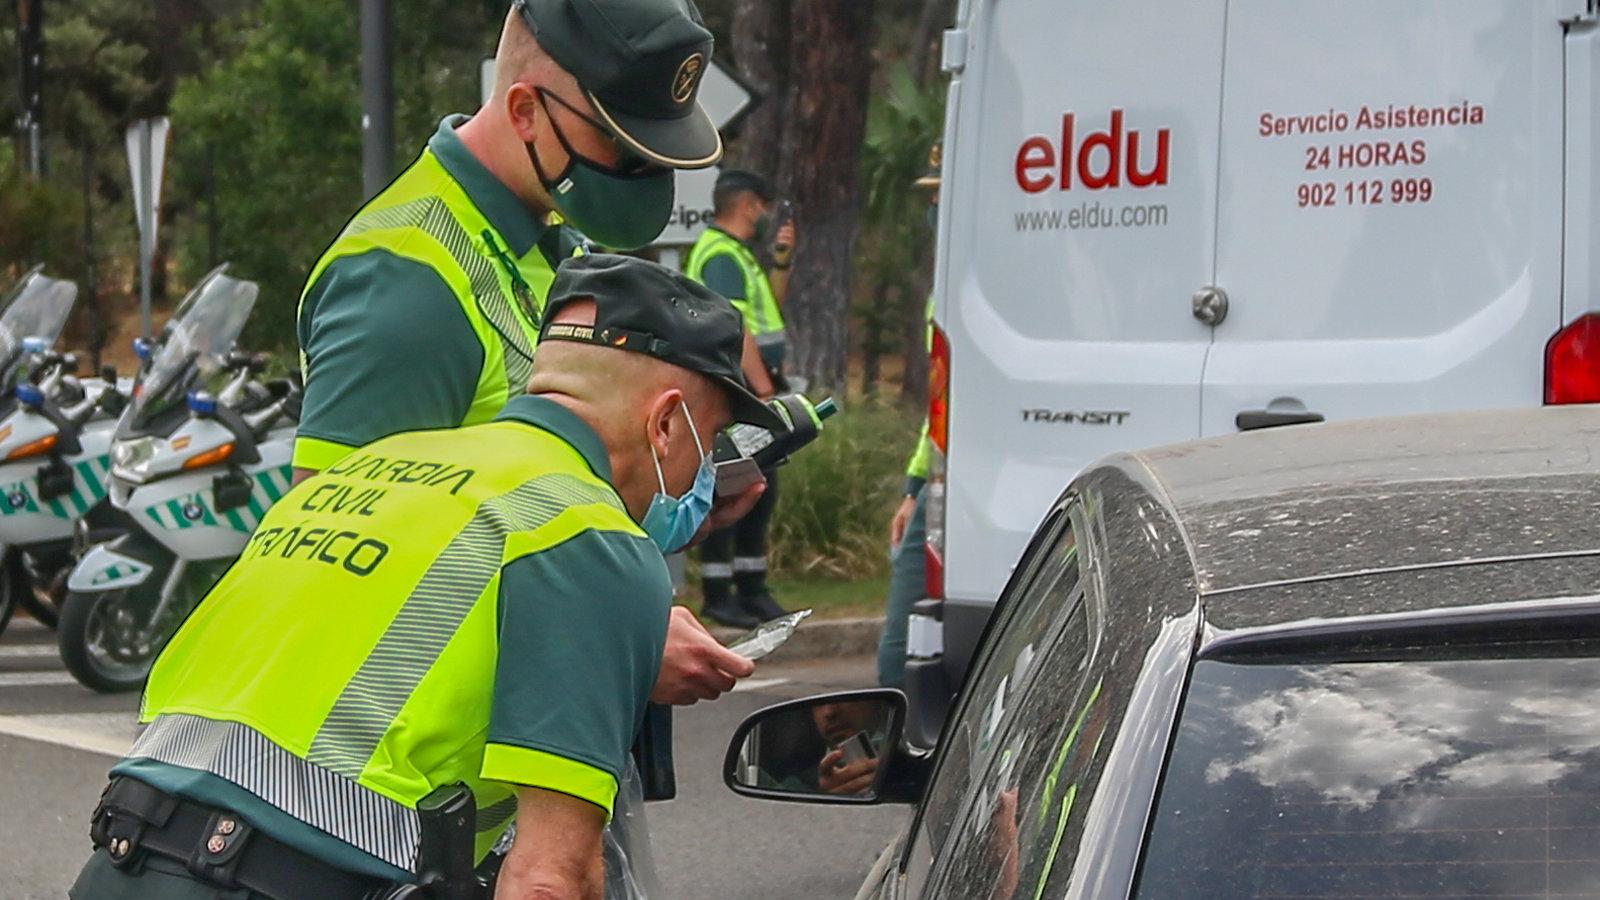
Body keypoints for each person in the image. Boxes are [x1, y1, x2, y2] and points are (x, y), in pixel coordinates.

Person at [70, 255, 782, 899]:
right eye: (709, 439)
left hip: (120, 859)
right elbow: (547, 879)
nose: (706, 471)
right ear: (664, 424)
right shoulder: (590, 533)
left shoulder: (379, 462)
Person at [294, 0, 746, 707]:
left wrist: (669, 476)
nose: (639, 171)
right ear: (527, 110)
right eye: (621, 145)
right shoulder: (408, 283)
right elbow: (338, 570)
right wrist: (610, 635)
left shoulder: (550, 241)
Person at [683, 169, 797, 627]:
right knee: (734, 483)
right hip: (739, 388)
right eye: (765, 206)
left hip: (750, 384)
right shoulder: (721, 256)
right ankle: (720, 593)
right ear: (749, 204)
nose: (767, 216)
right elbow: (737, 324)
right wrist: (764, 391)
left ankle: (752, 588)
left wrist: (783, 262)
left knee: (760, 487)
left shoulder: (738, 256)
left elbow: (770, 308)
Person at [878, 142, 942, 688]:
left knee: (902, 657)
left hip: (959, 481)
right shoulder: (946, 289)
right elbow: (938, 408)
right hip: (940, 478)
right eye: (934, 199)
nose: (935, 211)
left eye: (944, 198)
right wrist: (912, 486)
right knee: (902, 655)